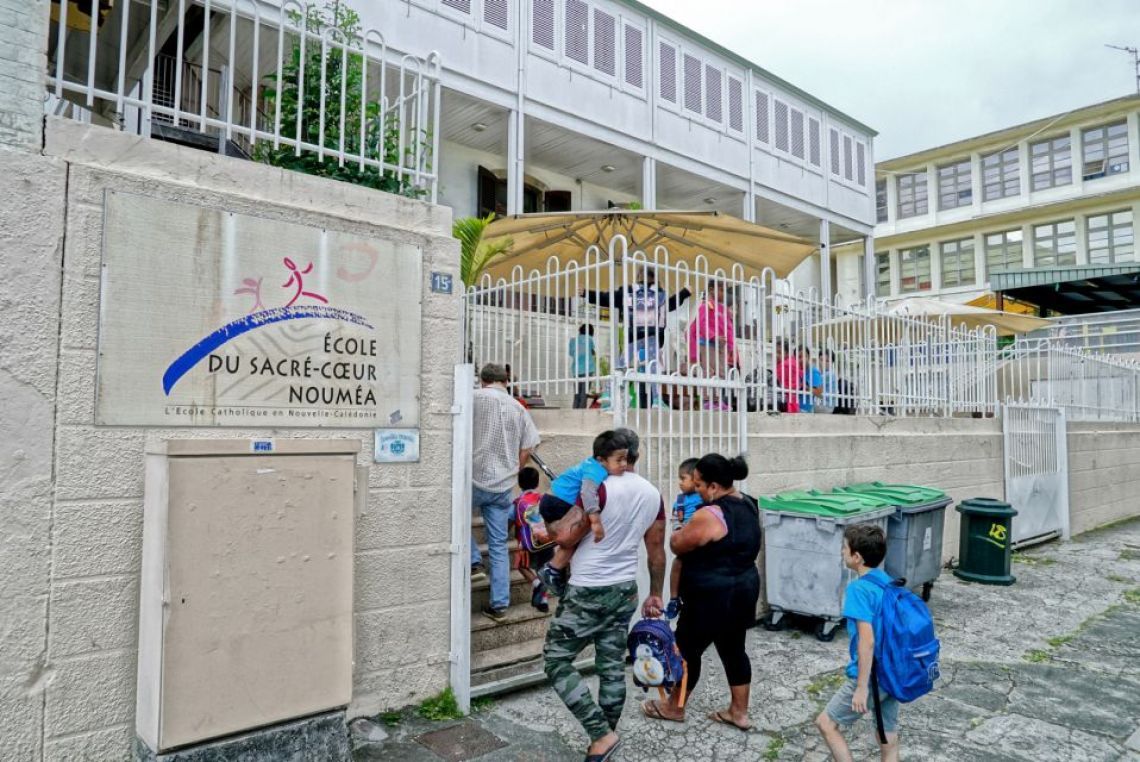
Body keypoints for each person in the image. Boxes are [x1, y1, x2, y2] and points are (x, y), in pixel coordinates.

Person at [543, 428, 667, 762]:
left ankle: (601, 735)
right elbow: (656, 551)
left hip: (589, 588)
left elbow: (566, 537)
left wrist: (548, 526)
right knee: (611, 666)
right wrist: (655, 594)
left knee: (556, 660)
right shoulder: (653, 494)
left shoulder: (599, 488)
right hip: (625, 588)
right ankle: (605, 739)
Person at [641, 454, 761, 731]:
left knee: (686, 650)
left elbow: (677, 545)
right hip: (743, 588)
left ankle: (674, 707)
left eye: (699, 485)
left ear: (714, 486)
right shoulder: (749, 503)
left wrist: (679, 528)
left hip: (711, 595)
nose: (696, 491)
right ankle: (739, 713)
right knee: (734, 649)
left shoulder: (709, 515)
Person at [815, 524, 899, 762]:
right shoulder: (887, 581)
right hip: (892, 670)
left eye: (845, 548)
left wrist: (861, 687)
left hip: (873, 675)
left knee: (826, 723)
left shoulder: (858, 590)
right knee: (887, 734)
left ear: (857, 557)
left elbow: (867, 641)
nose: (842, 552)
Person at [470, 363, 541, 622]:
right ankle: (499, 604)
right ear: (505, 381)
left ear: (482, 380)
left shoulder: (473, 398)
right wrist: (515, 468)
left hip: (474, 478)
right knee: (499, 544)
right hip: (503, 485)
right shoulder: (518, 407)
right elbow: (529, 445)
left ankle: (474, 561)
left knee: (453, 521)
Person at [582, 265, 691, 409]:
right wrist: (685, 292)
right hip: (651, 338)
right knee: (652, 368)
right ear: (655, 278)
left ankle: (609, 392)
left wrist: (587, 294)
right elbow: (672, 304)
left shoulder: (629, 291)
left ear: (638, 276)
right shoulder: (659, 294)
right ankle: (656, 400)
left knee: (622, 364)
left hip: (633, 337)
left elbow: (607, 298)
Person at [536, 431, 630, 595]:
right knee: (575, 537)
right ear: (601, 459)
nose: (624, 464)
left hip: (551, 499)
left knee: (573, 539)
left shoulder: (591, 464)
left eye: (625, 459)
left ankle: (556, 570)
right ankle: (552, 569)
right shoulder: (597, 471)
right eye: (619, 460)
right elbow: (587, 493)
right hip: (558, 502)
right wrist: (596, 521)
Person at [687, 280, 737, 411]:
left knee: (721, 373)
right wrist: (713, 336)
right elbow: (701, 324)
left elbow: (729, 328)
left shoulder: (723, 310)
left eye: (725, 291)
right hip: (707, 344)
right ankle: (706, 401)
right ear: (710, 290)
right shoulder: (705, 306)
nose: (723, 294)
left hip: (721, 346)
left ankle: (717, 400)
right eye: (721, 290)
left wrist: (730, 346)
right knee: (708, 372)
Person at [665, 458, 701, 619]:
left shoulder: (704, 497)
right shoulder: (680, 501)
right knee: (678, 562)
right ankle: (674, 598)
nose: (680, 483)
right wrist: (679, 530)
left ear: (696, 479)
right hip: (685, 536)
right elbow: (675, 519)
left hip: (700, 537)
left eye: (683, 478)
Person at [513, 466, 553, 613]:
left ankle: (536, 584)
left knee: (521, 566)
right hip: (546, 541)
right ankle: (543, 602)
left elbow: (513, 521)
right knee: (543, 569)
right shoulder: (543, 499)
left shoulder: (518, 503)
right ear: (537, 483)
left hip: (528, 544)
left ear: (519, 483)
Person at [569, 324, 597, 409]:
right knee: (584, 394)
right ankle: (581, 413)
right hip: (588, 369)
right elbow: (592, 352)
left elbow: (571, 353)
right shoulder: (589, 339)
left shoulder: (573, 340)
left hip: (576, 369)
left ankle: (574, 412)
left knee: (577, 394)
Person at [774, 340, 801, 413]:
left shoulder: (786, 365)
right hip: (791, 397)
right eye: (775, 352)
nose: (776, 355)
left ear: (787, 353)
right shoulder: (790, 361)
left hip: (789, 399)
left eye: (779, 352)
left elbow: (782, 384)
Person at [800, 346, 823, 413]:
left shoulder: (814, 372)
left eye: (804, 356)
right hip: (794, 407)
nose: (802, 359)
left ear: (808, 357)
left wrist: (806, 387)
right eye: (799, 357)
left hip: (805, 410)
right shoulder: (796, 371)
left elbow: (820, 394)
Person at [818, 349, 839, 414]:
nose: (824, 363)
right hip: (823, 405)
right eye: (821, 360)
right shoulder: (822, 374)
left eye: (827, 361)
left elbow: (814, 384)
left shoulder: (830, 374)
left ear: (832, 363)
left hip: (826, 407)